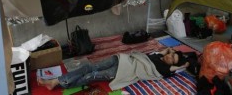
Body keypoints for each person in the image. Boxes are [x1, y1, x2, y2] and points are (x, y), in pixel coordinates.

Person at [37, 47, 189, 91]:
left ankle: (56, 81)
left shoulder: (164, 69)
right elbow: (164, 51)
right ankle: (56, 81)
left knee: (91, 75)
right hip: (123, 60)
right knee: (89, 66)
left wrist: (183, 64)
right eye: (172, 55)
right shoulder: (158, 55)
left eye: (172, 61)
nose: (170, 58)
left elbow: (180, 66)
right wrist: (169, 51)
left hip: (125, 71)